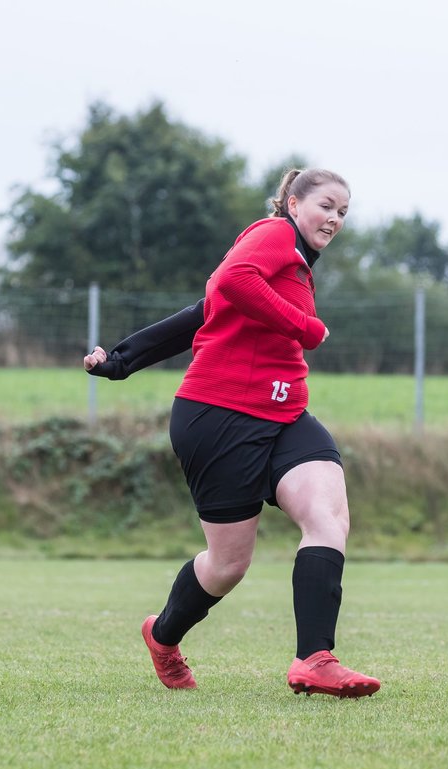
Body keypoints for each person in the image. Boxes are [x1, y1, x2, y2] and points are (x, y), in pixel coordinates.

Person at [84, 168, 380, 698]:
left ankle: (315, 658)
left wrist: (124, 357)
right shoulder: (271, 234)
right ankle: (164, 635)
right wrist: (306, 327)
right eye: (326, 206)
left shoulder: (296, 263)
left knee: (328, 515)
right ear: (293, 203)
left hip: (286, 415)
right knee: (226, 566)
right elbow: (228, 284)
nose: (334, 218)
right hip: (217, 416)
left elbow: (204, 314)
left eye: (343, 212)